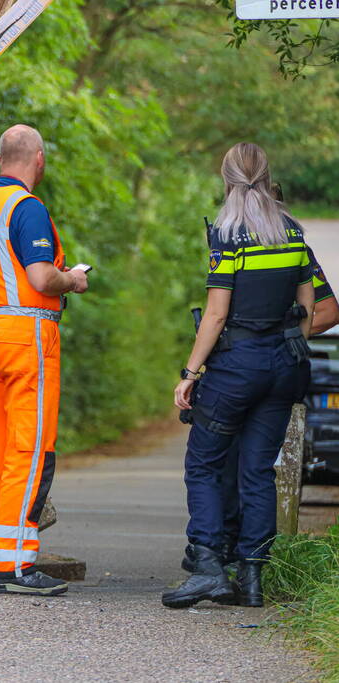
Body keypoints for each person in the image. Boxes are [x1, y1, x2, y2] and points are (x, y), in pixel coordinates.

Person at [163, 142, 314, 609]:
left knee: (204, 463)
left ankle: (208, 566)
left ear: (226, 179)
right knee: (256, 472)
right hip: (284, 366)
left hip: (237, 366)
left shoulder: (227, 234)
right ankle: (251, 579)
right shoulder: (291, 231)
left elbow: (215, 314)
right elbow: (308, 308)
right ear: (267, 177)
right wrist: (288, 343)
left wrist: (190, 373)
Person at [0, 124, 88, 596]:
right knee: (30, 449)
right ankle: (16, 566)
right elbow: (40, 276)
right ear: (37, 159)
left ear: (0, 159)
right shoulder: (27, 208)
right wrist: (72, 279)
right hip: (27, 334)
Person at [184, 248, 337, 582]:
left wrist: (273, 340)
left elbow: (327, 311)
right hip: (264, 372)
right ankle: (245, 567)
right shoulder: (281, 246)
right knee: (246, 470)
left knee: (216, 465)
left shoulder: (275, 248)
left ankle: (218, 556)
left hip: (242, 372)